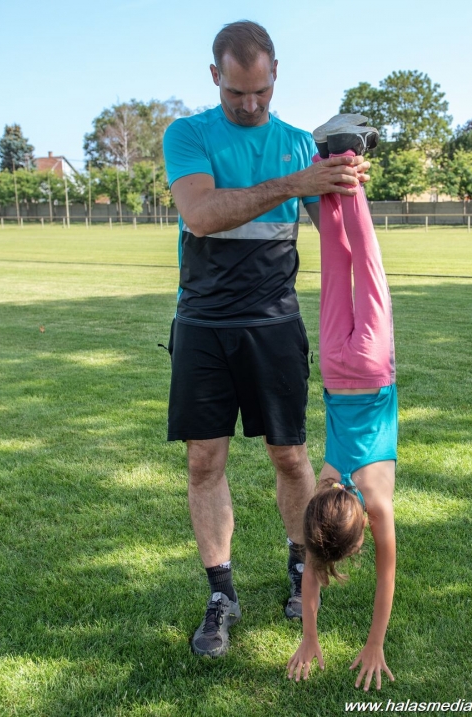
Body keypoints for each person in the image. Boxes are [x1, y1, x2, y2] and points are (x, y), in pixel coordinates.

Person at [163, 21, 370, 658]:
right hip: (203, 323)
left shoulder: (301, 145)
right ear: (215, 77)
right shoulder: (188, 134)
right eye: (236, 93)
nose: (250, 105)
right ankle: (221, 594)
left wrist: (347, 181)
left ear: (275, 73)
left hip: (275, 325)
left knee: (290, 457)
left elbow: (341, 234)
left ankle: (301, 570)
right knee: (204, 461)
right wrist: (293, 185)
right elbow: (201, 214)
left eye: (261, 91)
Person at [287, 116, 397, 690]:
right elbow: (312, 562)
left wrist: (371, 642)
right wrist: (308, 634)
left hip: (374, 369)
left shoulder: (375, 503)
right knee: (338, 262)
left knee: (365, 262)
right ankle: (329, 158)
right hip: (334, 368)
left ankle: (347, 155)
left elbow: (385, 576)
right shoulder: (325, 486)